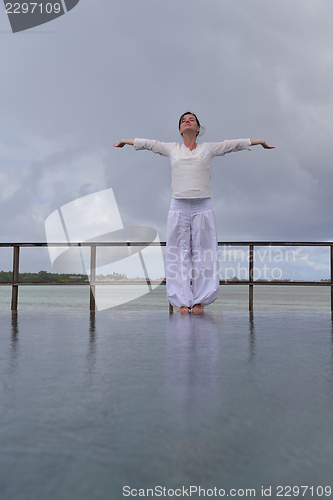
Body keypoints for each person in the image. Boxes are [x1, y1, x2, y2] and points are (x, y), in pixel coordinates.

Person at [113, 112, 274, 314]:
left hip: (203, 206)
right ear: (180, 129)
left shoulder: (208, 149)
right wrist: (124, 142)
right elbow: (149, 143)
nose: (187, 121)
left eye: (191, 120)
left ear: (198, 128)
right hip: (178, 206)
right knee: (177, 254)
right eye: (183, 120)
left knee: (204, 254)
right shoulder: (172, 149)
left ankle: (199, 301)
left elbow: (232, 144)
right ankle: (181, 301)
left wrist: (259, 142)